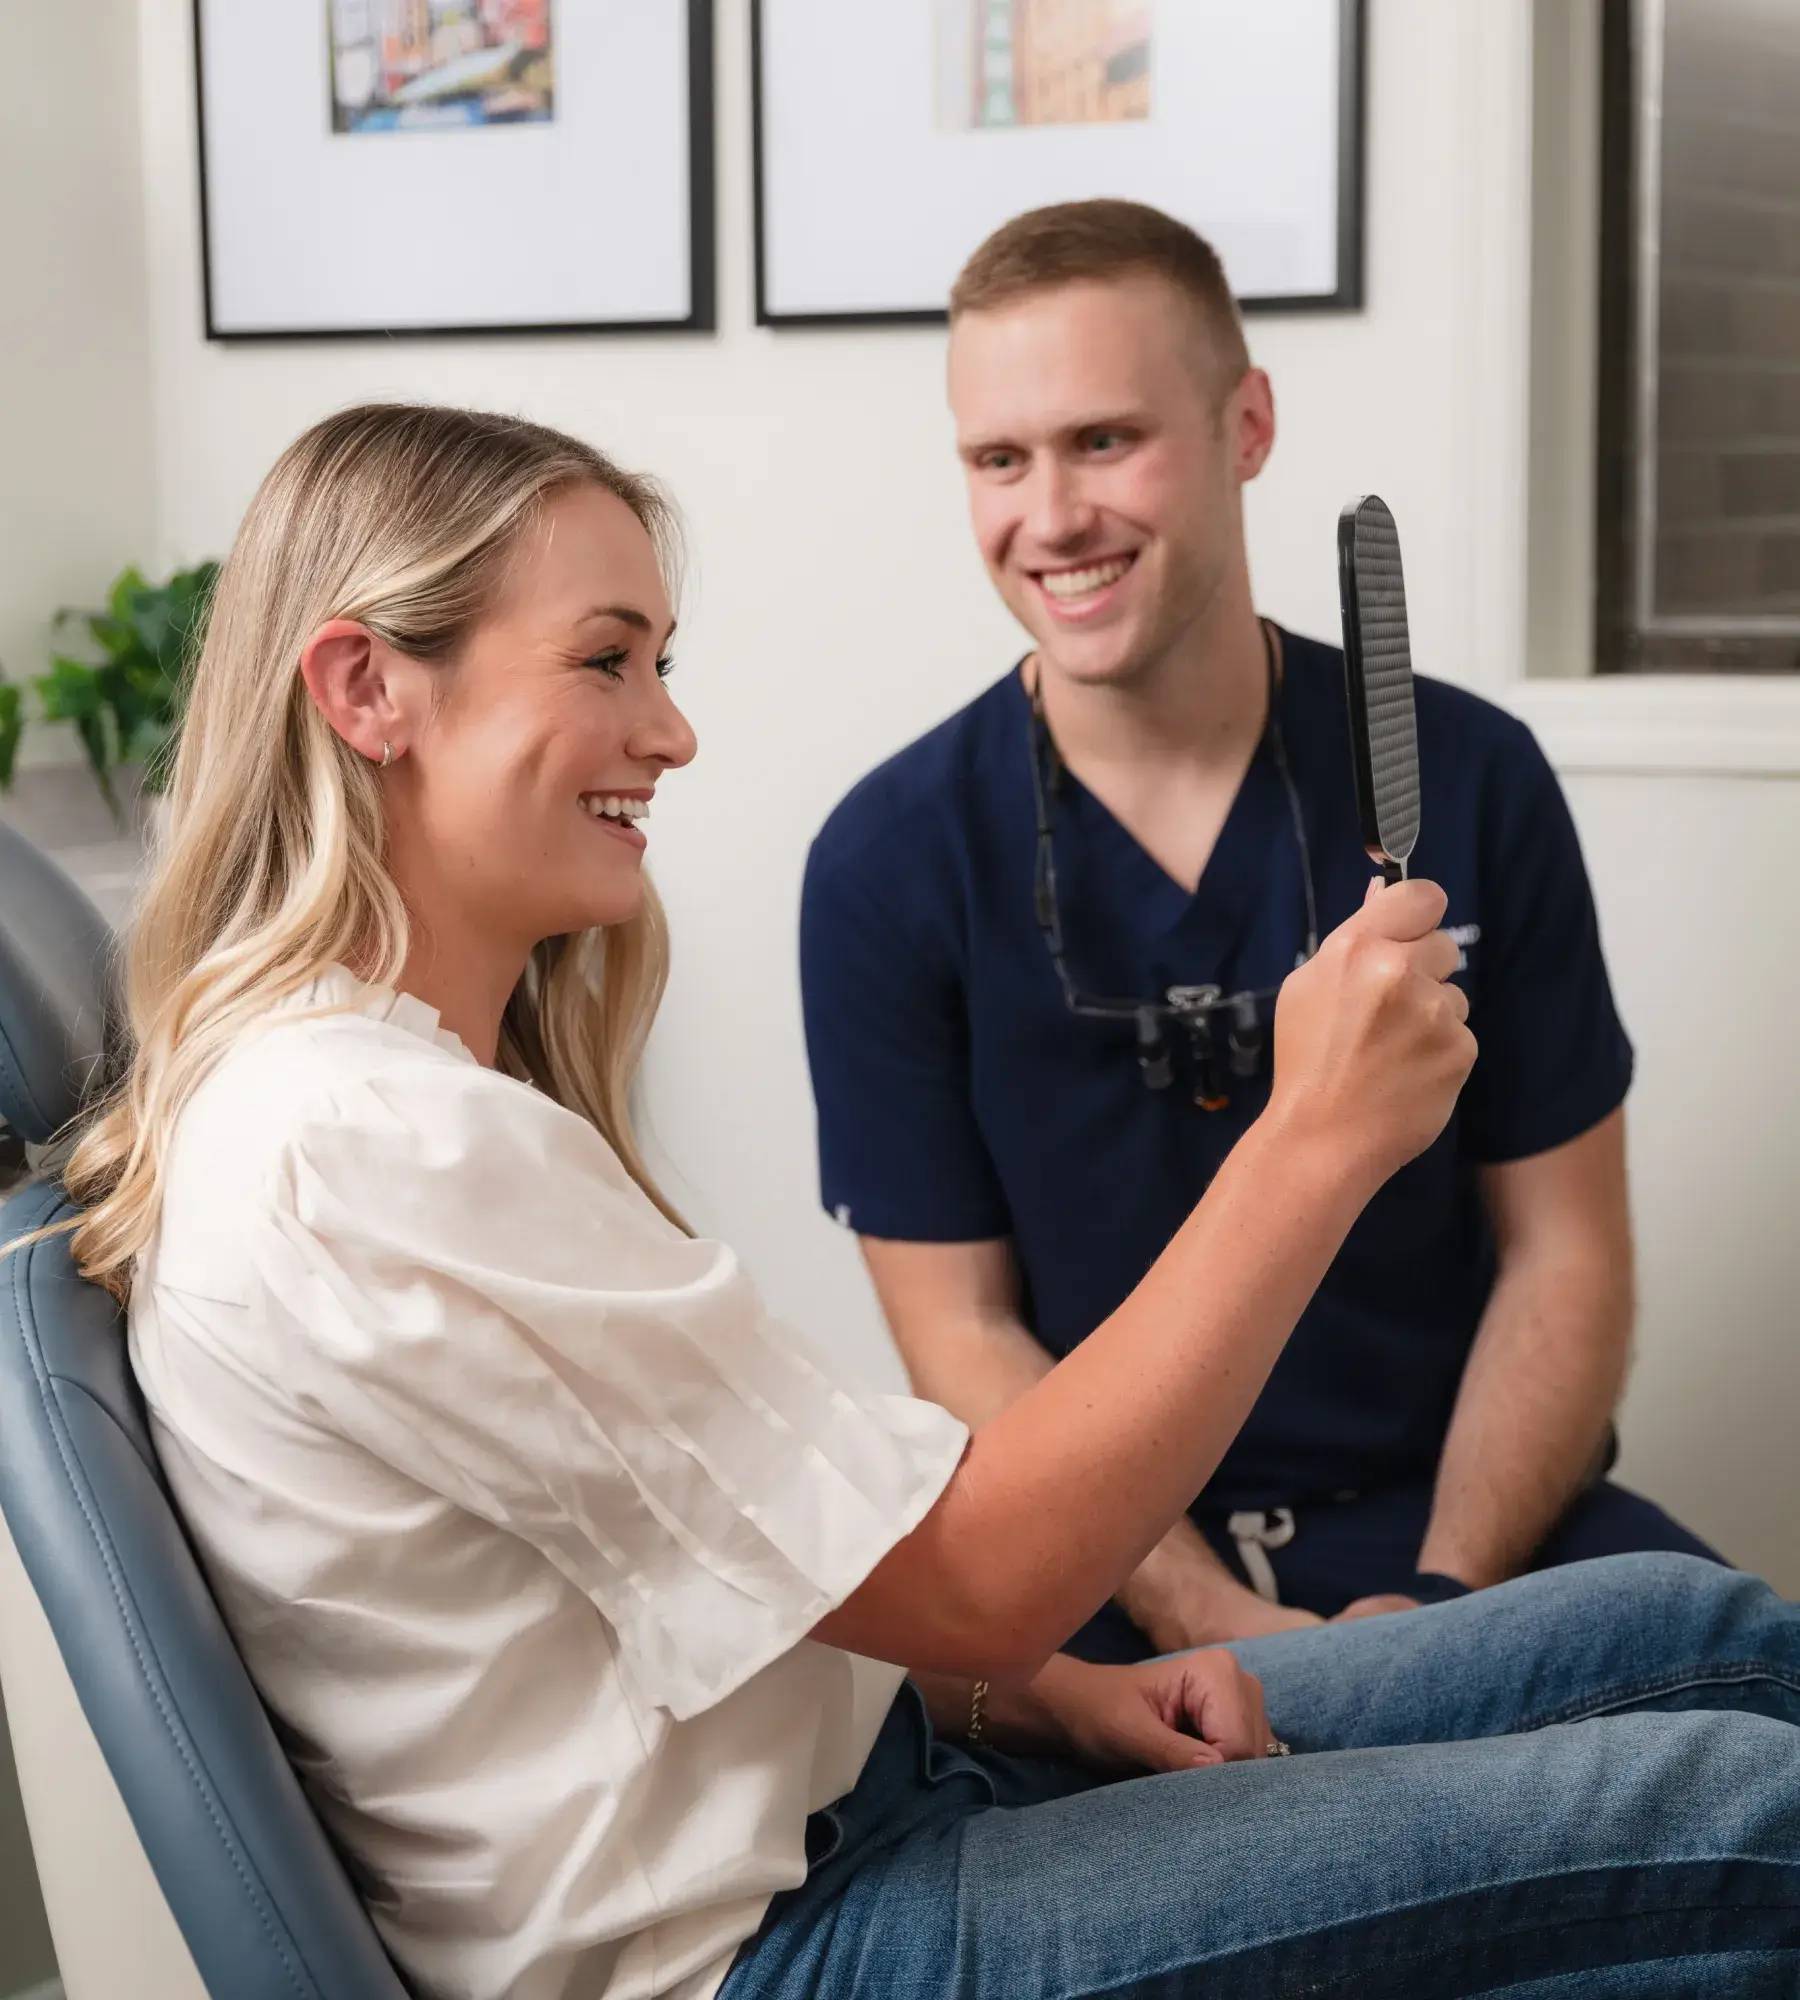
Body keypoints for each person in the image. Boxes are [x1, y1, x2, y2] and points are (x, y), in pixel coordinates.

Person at [48, 402, 1800, 2000]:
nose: (672, 730)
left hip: (884, 1779)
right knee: (1740, 1812)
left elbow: (758, 1561)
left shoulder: (381, 1099)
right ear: (366, 690)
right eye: (607, 660)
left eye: (662, 660)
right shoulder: (363, 1147)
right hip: (794, 1948)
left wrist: (1051, 1696)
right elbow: (977, 1577)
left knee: (1695, 1639)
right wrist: (1313, 1141)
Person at [800, 200, 1720, 1660]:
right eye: (999, 459)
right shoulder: (887, 863)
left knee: (1748, 1692)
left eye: (1106, 440)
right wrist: (1217, 1623)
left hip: (1459, 1525)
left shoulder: (1469, 777)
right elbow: (958, 1337)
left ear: (1247, 426)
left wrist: (1440, 1605)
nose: (1050, 518)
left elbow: (1566, 1251)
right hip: (1099, 1570)